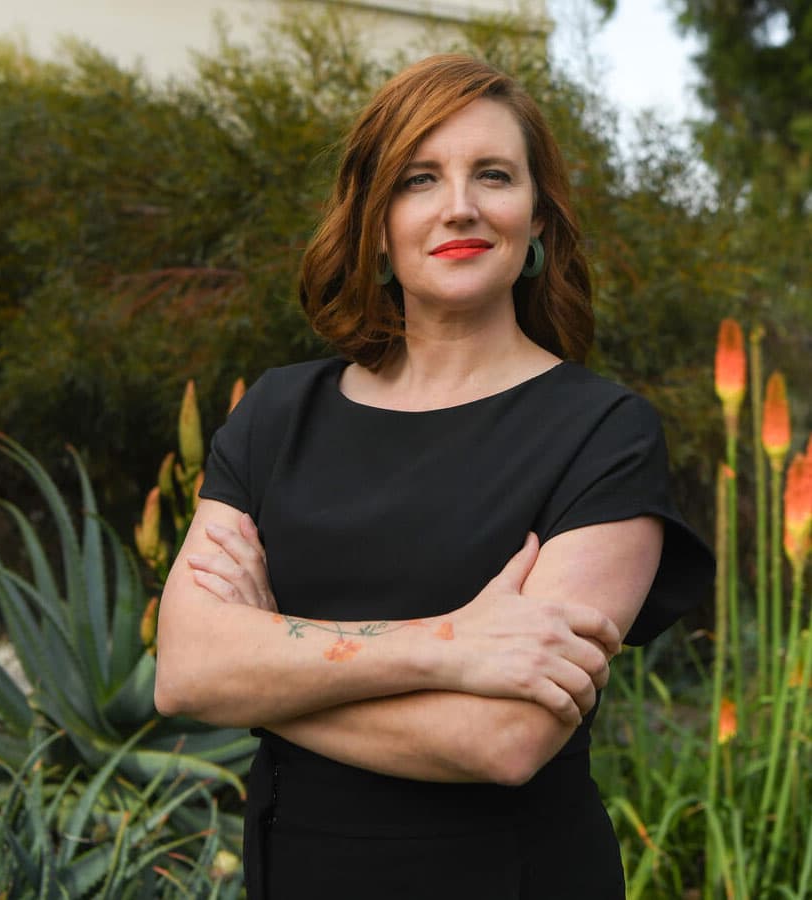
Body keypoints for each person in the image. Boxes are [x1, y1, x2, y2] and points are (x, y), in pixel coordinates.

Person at [154, 55, 714, 899]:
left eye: (492, 174)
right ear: (376, 225)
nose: (460, 205)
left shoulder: (603, 434)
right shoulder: (278, 413)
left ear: (537, 222)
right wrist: (453, 643)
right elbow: (185, 670)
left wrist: (260, 669)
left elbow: (502, 739)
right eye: (419, 178)